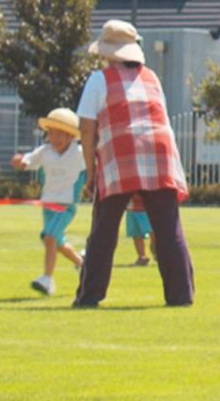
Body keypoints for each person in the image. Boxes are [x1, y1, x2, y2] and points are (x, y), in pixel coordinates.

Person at [73, 19, 194, 308]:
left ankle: (90, 296)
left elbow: (86, 128)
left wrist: (91, 173)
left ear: (107, 53)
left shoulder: (99, 79)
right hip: (160, 153)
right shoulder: (151, 77)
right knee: (167, 227)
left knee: (104, 228)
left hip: (120, 154)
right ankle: (181, 296)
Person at [11, 108, 86, 296]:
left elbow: (97, 161)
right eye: (52, 133)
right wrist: (19, 162)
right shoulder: (45, 152)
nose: (56, 138)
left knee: (50, 237)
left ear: (71, 136)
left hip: (66, 206)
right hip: (48, 205)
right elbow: (27, 162)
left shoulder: (79, 154)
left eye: (61, 134)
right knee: (56, 242)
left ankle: (47, 279)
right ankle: (81, 264)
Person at [125, 193, 156, 266]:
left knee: (153, 233)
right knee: (136, 234)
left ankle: (158, 254)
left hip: (146, 207)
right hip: (131, 208)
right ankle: (142, 257)